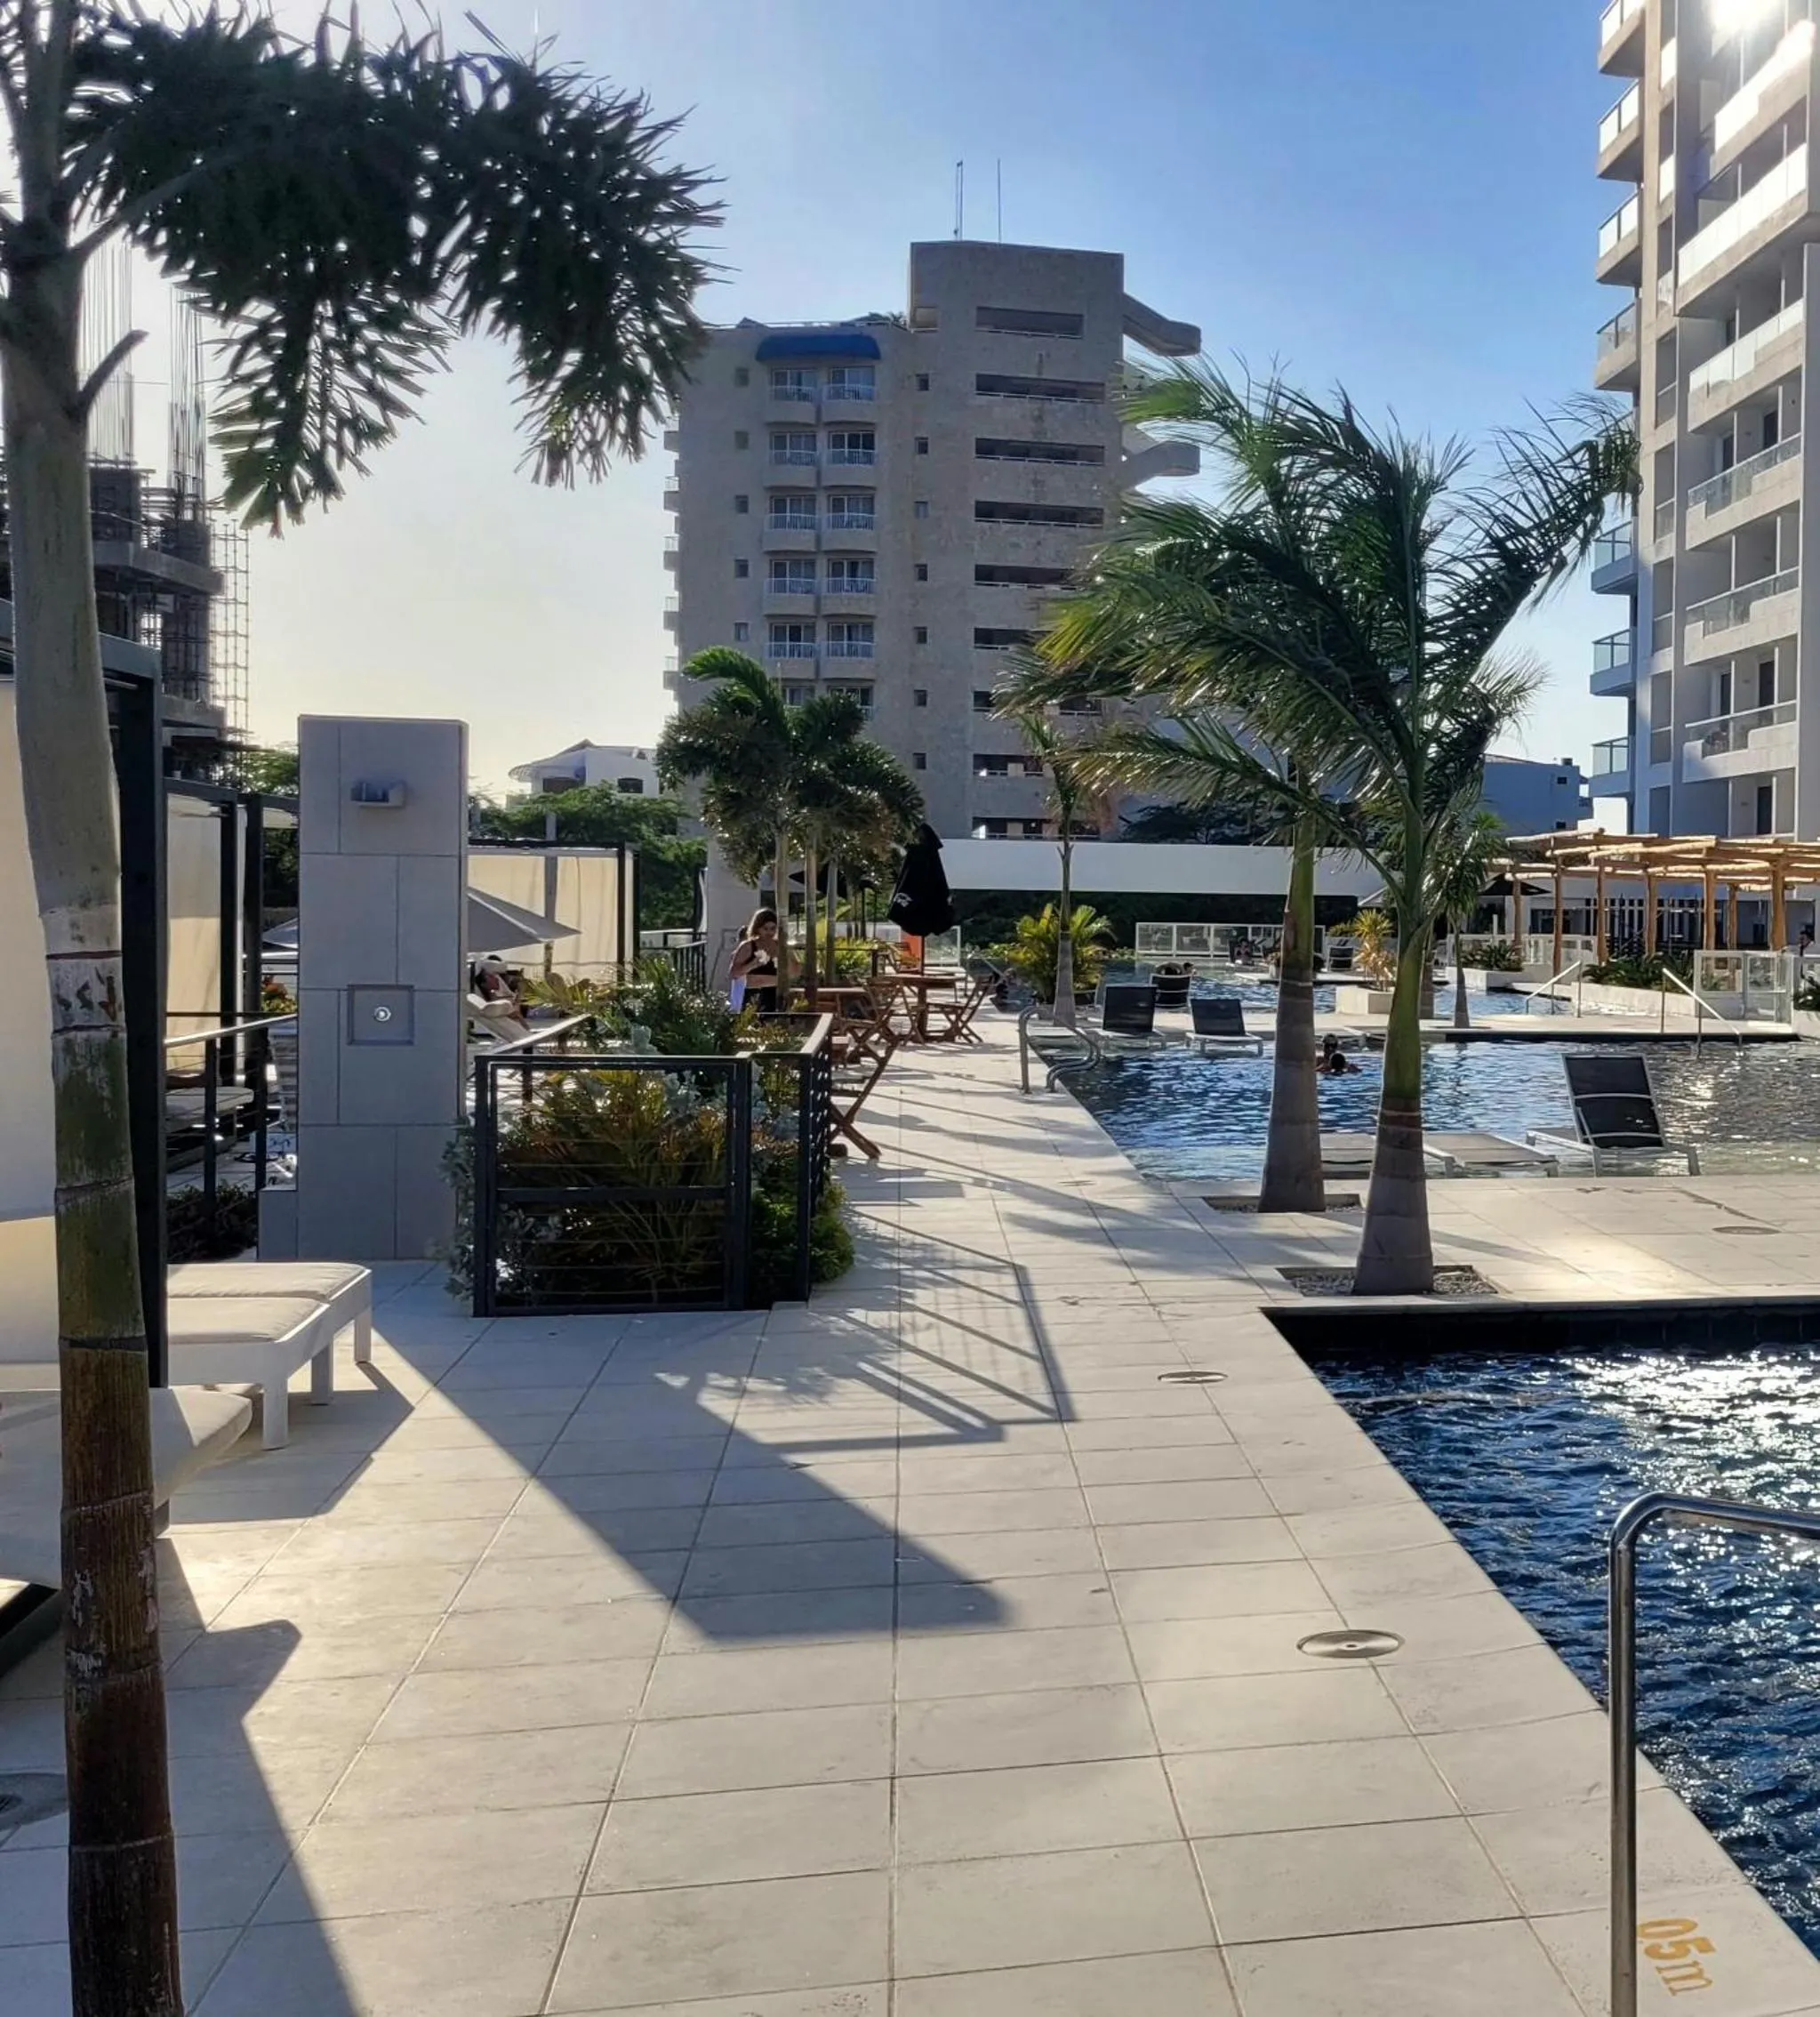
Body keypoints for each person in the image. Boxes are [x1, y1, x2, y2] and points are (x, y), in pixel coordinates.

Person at [729, 907, 781, 1014]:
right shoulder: (748, 946)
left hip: (776, 993)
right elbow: (734, 973)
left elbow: (796, 971)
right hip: (755, 993)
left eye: (773, 928)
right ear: (757, 928)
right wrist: (752, 964)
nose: (769, 932)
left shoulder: (779, 947)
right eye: (765, 929)